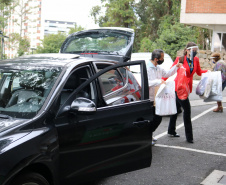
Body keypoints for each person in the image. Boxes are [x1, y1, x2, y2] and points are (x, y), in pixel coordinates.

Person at [167, 42, 208, 143]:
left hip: (187, 88)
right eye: (192, 50)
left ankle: (171, 130)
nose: (194, 52)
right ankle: (189, 137)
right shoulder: (180, 59)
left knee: (176, 109)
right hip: (179, 87)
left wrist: (210, 72)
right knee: (187, 110)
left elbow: (198, 72)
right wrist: (162, 79)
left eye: (195, 50)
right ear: (187, 50)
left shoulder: (196, 59)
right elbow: (171, 71)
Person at [147, 49, 181, 145]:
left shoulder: (158, 68)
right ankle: (148, 136)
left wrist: (176, 67)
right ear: (156, 59)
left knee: (157, 118)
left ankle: (149, 135)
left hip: (157, 97)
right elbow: (147, 82)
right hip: (149, 98)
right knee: (153, 118)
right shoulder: (147, 68)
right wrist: (159, 81)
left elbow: (167, 74)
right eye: (162, 58)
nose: (163, 59)